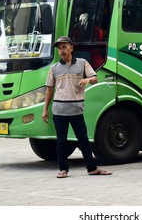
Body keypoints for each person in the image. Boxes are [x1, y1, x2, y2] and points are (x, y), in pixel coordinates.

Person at [42, 36, 112, 178]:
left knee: (83, 139)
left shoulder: (82, 63)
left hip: (76, 110)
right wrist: (45, 109)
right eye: (59, 48)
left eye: (64, 47)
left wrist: (87, 79)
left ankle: (91, 168)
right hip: (59, 110)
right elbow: (49, 89)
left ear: (71, 48)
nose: (62, 50)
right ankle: (63, 169)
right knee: (61, 141)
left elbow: (95, 78)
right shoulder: (54, 68)